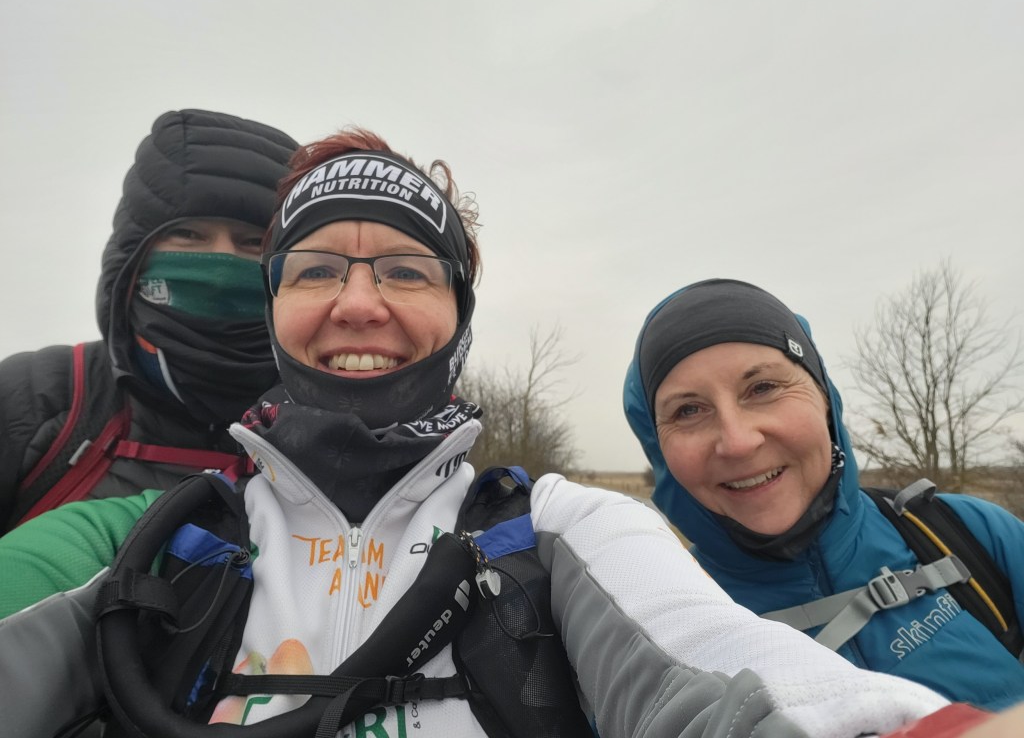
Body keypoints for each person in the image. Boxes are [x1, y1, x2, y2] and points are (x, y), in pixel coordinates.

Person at [1, 130, 983, 738]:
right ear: (275, 313)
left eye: (405, 270)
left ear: (459, 320)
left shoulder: (553, 528)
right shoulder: (159, 538)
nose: (358, 303)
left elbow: (715, 666)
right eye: (316, 269)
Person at [623, 278, 1024, 713]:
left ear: (824, 398)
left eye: (763, 388)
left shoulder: (973, 535)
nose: (737, 442)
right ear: (658, 450)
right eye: (688, 410)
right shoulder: (659, 640)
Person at [0, 108, 298, 531]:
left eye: (252, 243)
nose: (220, 265)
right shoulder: (39, 397)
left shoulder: (323, 426)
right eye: (189, 234)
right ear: (133, 257)